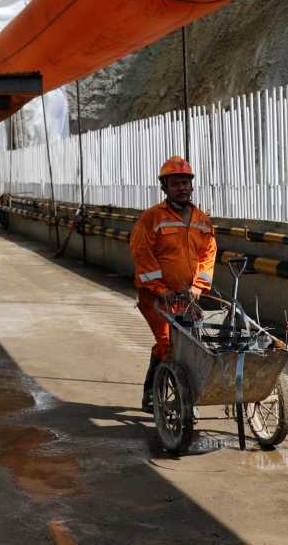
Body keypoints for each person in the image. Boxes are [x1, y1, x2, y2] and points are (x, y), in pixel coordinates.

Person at [129, 156, 218, 410]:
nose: (182, 188)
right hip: (156, 298)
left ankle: (169, 387)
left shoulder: (202, 220)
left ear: (192, 186)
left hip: (187, 297)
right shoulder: (152, 218)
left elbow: (208, 255)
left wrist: (197, 287)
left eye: (186, 183)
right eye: (176, 183)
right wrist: (161, 290)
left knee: (189, 345)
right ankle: (155, 394)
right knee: (169, 344)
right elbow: (141, 254)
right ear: (165, 187)